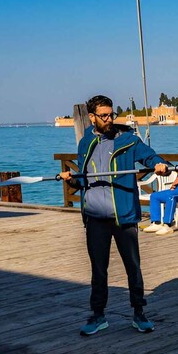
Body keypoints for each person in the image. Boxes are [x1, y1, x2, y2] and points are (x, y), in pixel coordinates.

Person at [60, 95, 170, 336]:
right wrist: (72, 178)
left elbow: (151, 157)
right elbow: (84, 178)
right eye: (104, 115)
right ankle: (98, 315)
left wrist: (160, 164)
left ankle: (139, 313)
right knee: (98, 270)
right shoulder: (85, 141)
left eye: (112, 114)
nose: (109, 119)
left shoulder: (128, 141)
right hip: (95, 217)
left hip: (124, 216)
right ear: (91, 117)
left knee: (133, 267)